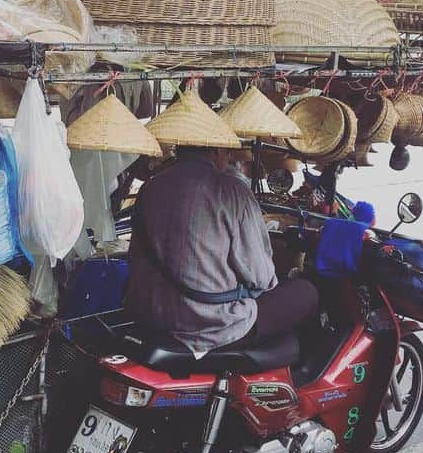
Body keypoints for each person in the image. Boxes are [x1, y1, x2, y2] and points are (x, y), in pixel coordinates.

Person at [127, 144, 319, 356]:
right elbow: (262, 278)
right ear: (216, 151)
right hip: (209, 326)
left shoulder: (150, 188)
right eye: (228, 152)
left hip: (150, 315)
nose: (229, 158)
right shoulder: (231, 190)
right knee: (306, 292)